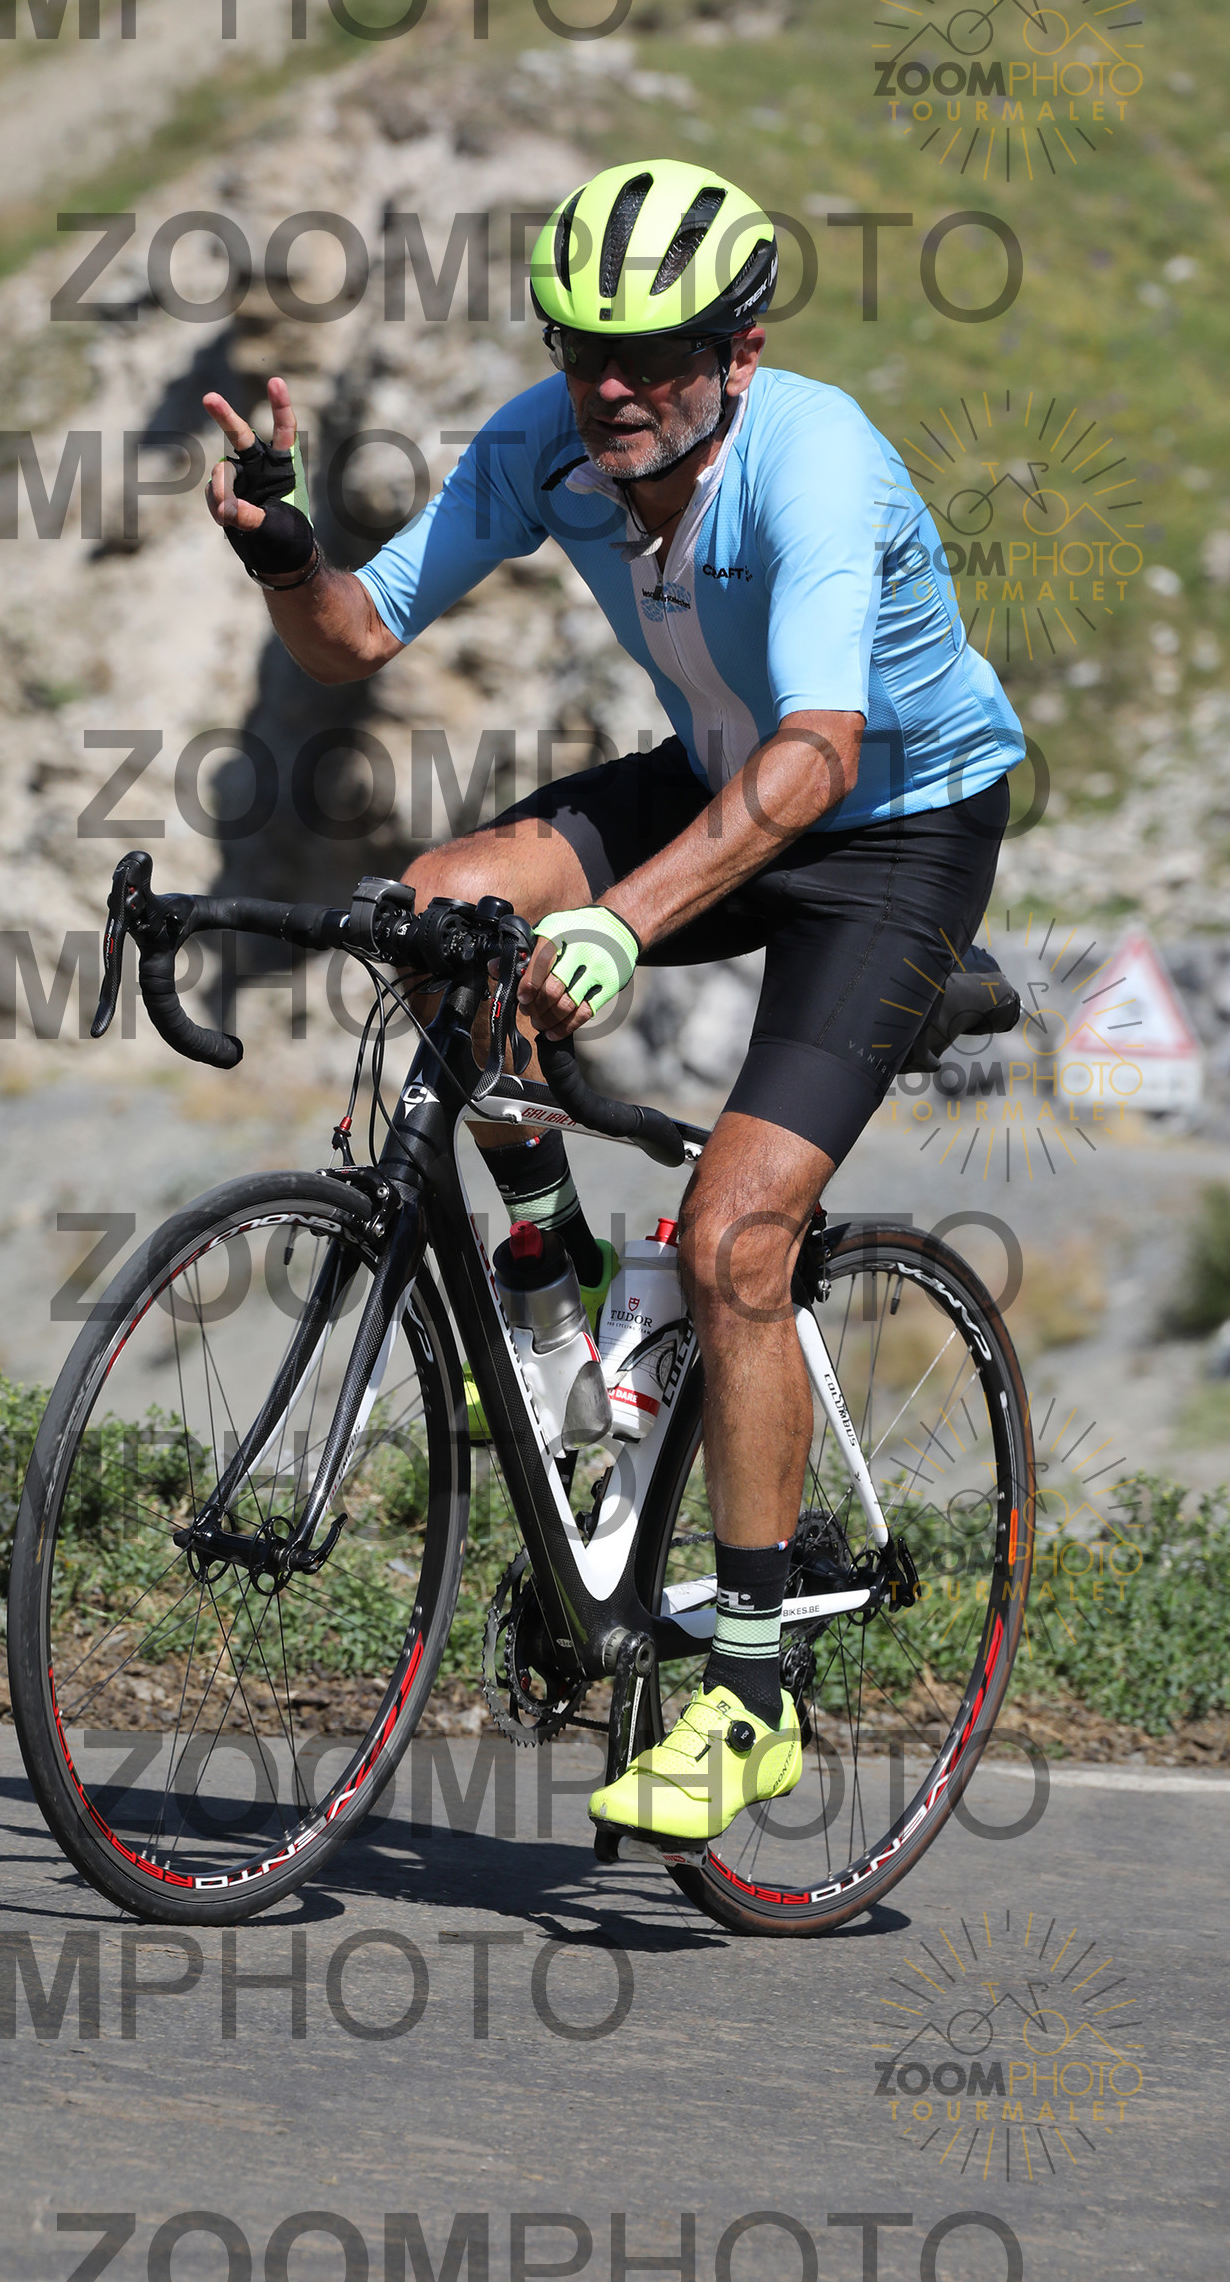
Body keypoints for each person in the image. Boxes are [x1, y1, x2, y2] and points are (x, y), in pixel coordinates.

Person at [201, 158, 1024, 1847]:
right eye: (585, 351)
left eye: (654, 356)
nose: (614, 388)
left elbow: (820, 755)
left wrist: (623, 928)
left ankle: (755, 1693)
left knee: (734, 1237)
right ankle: (558, 1283)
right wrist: (286, 552)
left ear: (742, 351)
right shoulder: (546, 444)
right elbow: (356, 635)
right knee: (440, 909)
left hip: (888, 833)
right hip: (720, 777)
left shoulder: (814, 462)